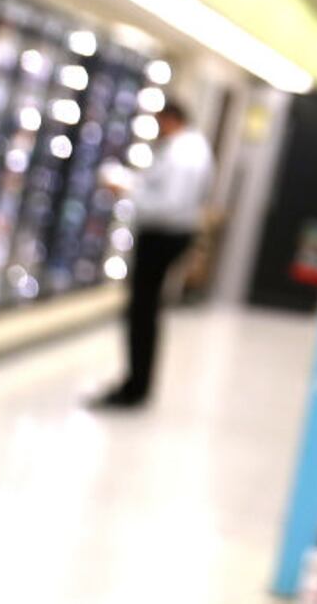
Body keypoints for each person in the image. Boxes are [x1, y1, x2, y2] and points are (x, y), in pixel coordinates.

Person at [93, 98, 214, 409]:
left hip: (163, 235)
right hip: (167, 234)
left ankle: (136, 387)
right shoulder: (190, 149)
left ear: (170, 118)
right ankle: (136, 382)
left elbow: (169, 204)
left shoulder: (183, 154)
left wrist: (128, 191)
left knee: (143, 312)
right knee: (144, 312)